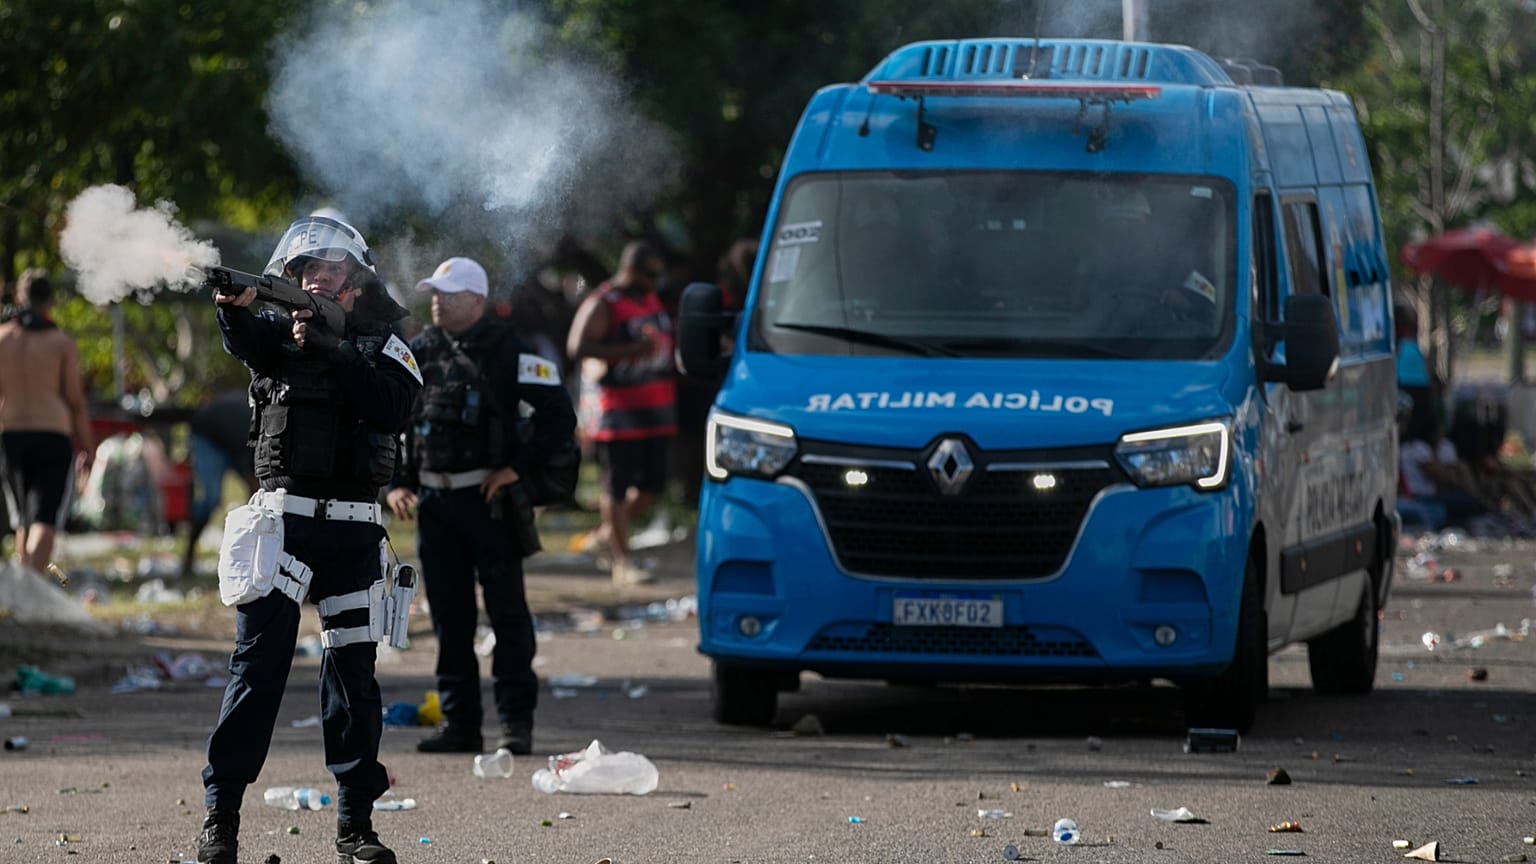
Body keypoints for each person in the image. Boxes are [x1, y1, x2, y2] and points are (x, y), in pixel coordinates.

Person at [195, 215, 421, 864]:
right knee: (255, 671)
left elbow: (393, 406)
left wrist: (337, 351)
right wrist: (231, 309)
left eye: (327, 269)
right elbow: (246, 341)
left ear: (356, 282)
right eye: (303, 271)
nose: (314, 277)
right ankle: (221, 822)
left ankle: (356, 829)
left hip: (353, 533)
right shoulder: (276, 338)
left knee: (353, 680)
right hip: (282, 526)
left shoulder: (384, 344)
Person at [385, 256, 576, 756]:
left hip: (488, 505)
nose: (436, 301)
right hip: (433, 504)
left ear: (476, 300)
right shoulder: (418, 349)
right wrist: (394, 485)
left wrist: (519, 468)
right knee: (450, 620)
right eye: (433, 293)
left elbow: (559, 415)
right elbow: (390, 418)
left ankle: (516, 724)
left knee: (508, 616)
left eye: (447, 294)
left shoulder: (510, 352)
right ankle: (460, 725)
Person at [567, 241, 677, 585]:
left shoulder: (649, 299)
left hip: (655, 407)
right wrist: (631, 350)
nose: (655, 281)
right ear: (630, 270)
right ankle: (622, 562)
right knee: (615, 488)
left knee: (653, 486)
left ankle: (604, 536)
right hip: (617, 413)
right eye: (650, 275)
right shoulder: (604, 301)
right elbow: (577, 347)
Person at [0, 269, 95, 572]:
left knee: (22, 520)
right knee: (44, 518)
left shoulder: (2, 339)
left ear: (19, 296)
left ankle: (21, 588)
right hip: (51, 435)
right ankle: (31, 591)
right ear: (50, 301)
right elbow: (76, 402)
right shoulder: (61, 343)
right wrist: (88, 448)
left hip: (11, 435)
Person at [181, 391, 258, 581]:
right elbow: (252, 478)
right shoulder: (253, 430)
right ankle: (188, 557)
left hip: (229, 438)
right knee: (211, 498)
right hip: (208, 435)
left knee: (259, 498)